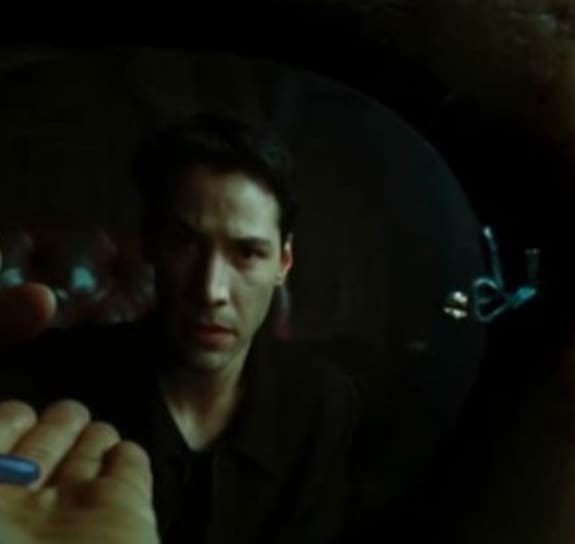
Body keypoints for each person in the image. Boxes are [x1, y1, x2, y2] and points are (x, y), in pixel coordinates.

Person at [0, 114, 359, 544]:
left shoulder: (322, 403)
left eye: (247, 253)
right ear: (150, 243)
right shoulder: (48, 376)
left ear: (283, 263)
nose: (211, 291)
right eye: (184, 242)